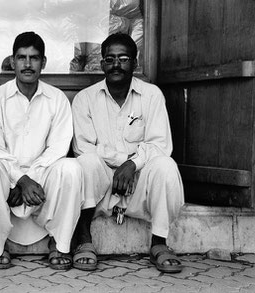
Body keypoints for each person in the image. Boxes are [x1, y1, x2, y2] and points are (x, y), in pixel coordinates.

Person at [71, 33, 185, 273]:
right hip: (102, 186)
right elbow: (83, 146)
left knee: (165, 165)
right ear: (101, 64)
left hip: (138, 185)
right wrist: (125, 163)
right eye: (110, 58)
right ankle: (83, 237)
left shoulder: (152, 95)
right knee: (85, 162)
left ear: (135, 62)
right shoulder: (85, 99)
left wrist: (133, 165)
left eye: (123, 58)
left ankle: (159, 243)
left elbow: (160, 144)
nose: (116, 64)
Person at [0, 31, 84, 271]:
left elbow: (58, 147)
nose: (27, 63)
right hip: (7, 177)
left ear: (43, 62)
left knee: (72, 168)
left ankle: (60, 244)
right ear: (13, 61)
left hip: (41, 179)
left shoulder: (57, 99)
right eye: (21, 57)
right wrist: (19, 180)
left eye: (34, 58)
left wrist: (28, 180)